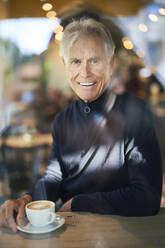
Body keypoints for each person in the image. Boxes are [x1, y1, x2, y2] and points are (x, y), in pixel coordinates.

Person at [0, 17, 162, 232]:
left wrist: (79, 203)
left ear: (110, 64)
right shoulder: (62, 120)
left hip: (120, 232)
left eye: (94, 60)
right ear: (66, 66)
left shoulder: (136, 114)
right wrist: (27, 199)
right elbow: (55, 176)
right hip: (69, 229)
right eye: (76, 61)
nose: (84, 72)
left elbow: (147, 198)